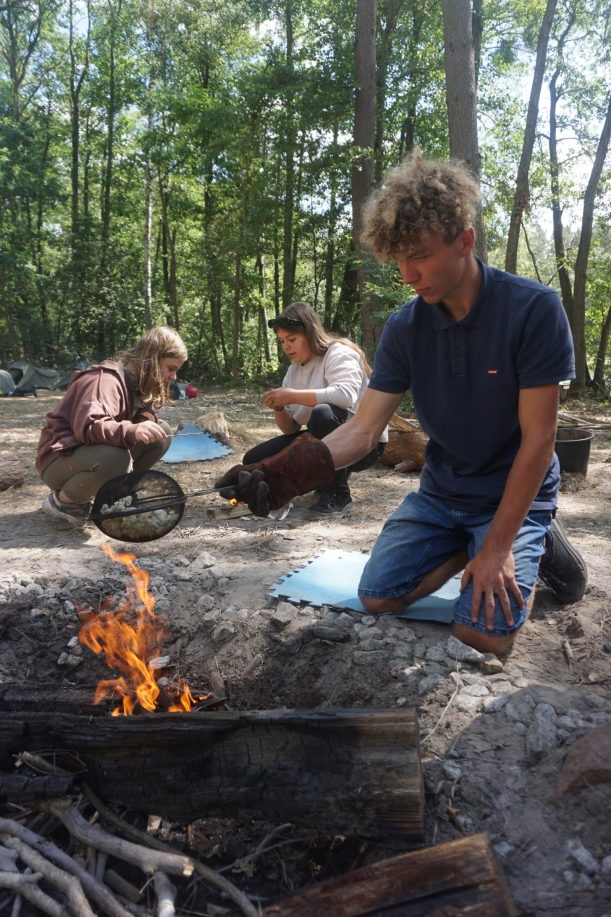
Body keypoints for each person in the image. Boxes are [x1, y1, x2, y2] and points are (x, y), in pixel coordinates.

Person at [216, 152, 587, 654]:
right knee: (377, 597)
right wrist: (284, 472)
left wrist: (499, 546)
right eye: (398, 261)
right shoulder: (405, 327)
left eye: (421, 256)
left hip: (512, 492)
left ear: (465, 241)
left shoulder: (533, 309)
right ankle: (469, 543)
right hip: (443, 492)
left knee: (482, 634)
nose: (408, 274)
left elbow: (540, 440)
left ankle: (534, 535)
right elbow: (363, 429)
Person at [243, 302, 387, 517]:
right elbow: (290, 429)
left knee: (323, 414)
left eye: (291, 339)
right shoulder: (293, 371)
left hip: (365, 444)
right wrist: (279, 407)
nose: (286, 347)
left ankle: (339, 496)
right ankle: (318, 480)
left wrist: (291, 395)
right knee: (253, 460)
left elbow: (344, 396)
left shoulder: (339, 353)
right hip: (323, 438)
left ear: (310, 333)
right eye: (282, 341)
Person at [37, 326, 187, 527]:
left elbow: (143, 422)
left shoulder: (139, 383)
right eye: (171, 368)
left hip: (88, 454)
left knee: (161, 432)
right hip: (59, 458)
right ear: (152, 359)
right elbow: (90, 426)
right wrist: (131, 430)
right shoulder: (105, 380)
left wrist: (143, 422)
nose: (174, 377)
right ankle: (63, 501)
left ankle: (117, 495)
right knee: (116, 458)